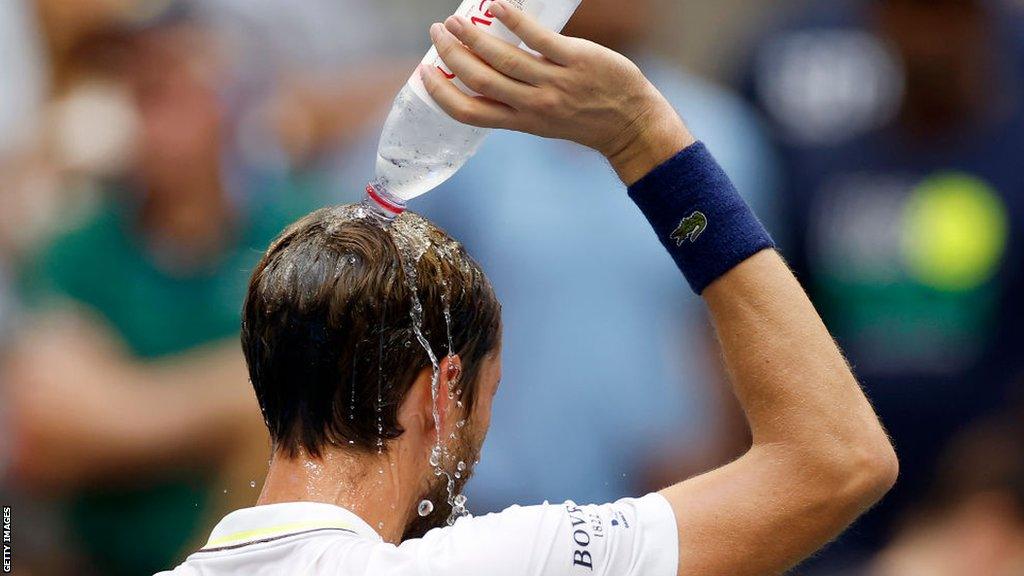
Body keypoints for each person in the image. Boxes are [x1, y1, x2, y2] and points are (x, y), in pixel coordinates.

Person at [158, 3, 897, 575]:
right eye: (491, 389)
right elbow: (839, 459)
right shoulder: (501, 560)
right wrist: (647, 140)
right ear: (443, 397)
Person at [414, 0, 777, 511]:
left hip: (665, 506)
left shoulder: (725, 134)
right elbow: (392, 301)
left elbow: (746, 317)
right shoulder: (463, 116)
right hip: (486, 504)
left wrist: (718, 462)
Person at [741, 0, 1024, 562]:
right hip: (836, 489)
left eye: (948, 17)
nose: (928, 39)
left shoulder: (1014, 159)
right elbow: (777, 327)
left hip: (986, 507)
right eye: (909, 16)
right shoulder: (827, 171)